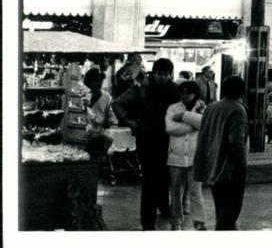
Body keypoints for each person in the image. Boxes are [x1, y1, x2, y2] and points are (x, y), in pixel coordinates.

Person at [114, 57, 179, 229]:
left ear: (171, 74)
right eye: (160, 74)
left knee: (164, 177)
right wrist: (130, 123)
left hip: (169, 140)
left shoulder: (176, 90)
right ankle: (148, 222)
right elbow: (118, 104)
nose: (163, 77)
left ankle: (163, 207)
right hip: (148, 140)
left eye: (166, 74)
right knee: (150, 180)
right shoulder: (142, 89)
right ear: (153, 73)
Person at [193, 75, 247, 231]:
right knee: (229, 214)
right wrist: (241, 165)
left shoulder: (211, 107)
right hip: (229, 169)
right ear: (242, 92)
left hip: (212, 165)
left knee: (221, 210)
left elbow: (204, 134)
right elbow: (236, 142)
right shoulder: (238, 110)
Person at [165, 80, 207, 231]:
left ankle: (200, 221)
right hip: (175, 156)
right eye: (181, 92)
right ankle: (176, 222)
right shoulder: (172, 108)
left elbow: (204, 124)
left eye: (187, 93)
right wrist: (192, 125)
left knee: (196, 192)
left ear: (195, 94)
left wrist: (184, 116)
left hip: (195, 156)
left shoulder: (203, 108)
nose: (183, 96)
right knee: (175, 191)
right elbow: (170, 128)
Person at [83, 67, 117, 137]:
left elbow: (110, 114)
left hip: (101, 132)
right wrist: (89, 104)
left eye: (100, 81)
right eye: (96, 81)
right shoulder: (84, 95)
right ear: (89, 82)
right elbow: (83, 116)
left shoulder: (106, 96)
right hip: (86, 132)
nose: (99, 84)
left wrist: (110, 120)